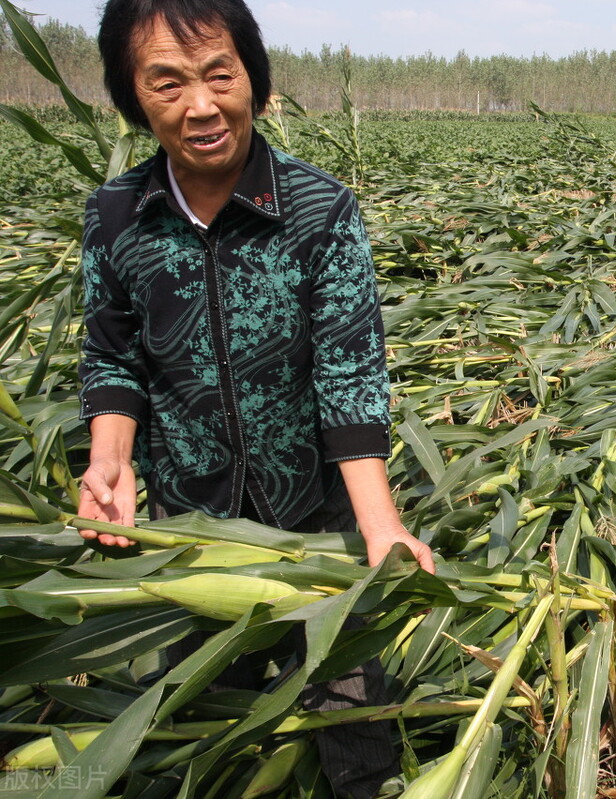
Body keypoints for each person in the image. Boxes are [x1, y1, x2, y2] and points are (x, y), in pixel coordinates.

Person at [74, 1, 433, 795]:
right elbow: (112, 357)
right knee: (209, 741)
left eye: (218, 75)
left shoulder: (319, 212)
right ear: (135, 100)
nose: (200, 106)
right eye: (166, 83)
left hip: (318, 533)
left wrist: (379, 529)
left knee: (358, 741)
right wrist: (110, 461)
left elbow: (349, 375)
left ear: (254, 81)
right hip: (195, 536)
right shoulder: (116, 219)